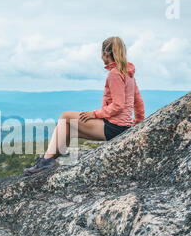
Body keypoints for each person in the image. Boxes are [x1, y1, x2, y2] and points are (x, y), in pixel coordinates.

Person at [24, 36, 145, 175]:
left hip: (114, 127)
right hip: (121, 126)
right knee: (68, 128)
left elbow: (118, 105)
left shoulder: (114, 74)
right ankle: (48, 160)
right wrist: (139, 122)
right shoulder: (128, 73)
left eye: (101, 53)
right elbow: (138, 100)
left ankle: (46, 161)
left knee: (65, 116)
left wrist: (94, 114)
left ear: (106, 53)